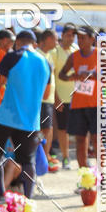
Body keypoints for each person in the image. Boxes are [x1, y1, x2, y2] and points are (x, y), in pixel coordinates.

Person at [0, 30, 50, 198]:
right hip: (31, 120)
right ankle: (27, 198)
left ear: (17, 42)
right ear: (34, 44)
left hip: (5, 117)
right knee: (28, 160)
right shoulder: (46, 62)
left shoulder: (12, 57)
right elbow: (46, 95)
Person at [59, 25, 97, 168]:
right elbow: (61, 74)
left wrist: (92, 75)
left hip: (97, 104)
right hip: (78, 104)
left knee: (97, 140)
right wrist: (71, 77)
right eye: (78, 38)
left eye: (83, 38)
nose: (79, 41)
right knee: (80, 141)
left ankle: (103, 175)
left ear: (92, 39)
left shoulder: (100, 55)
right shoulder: (73, 57)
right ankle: (84, 175)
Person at [52, 24, 77, 169]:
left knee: (81, 129)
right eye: (68, 35)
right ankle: (66, 157)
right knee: (63, 129)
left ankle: (82, 157)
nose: (71, 38)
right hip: (62, 96)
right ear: (62, 36)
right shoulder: (56, 52)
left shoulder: (76, 50)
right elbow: (52, 76)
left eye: (73, 36)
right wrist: (56, 98)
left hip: (77, 97)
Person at [37, 29, 57, 160]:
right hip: (41, 100)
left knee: (47, 129)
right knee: (44, 130)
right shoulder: (38, 56)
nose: (57, 42)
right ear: (48, 39)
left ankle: (44, 155)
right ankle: (42, 157)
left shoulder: (49, 55)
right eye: (55, 39)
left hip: (49, 99)